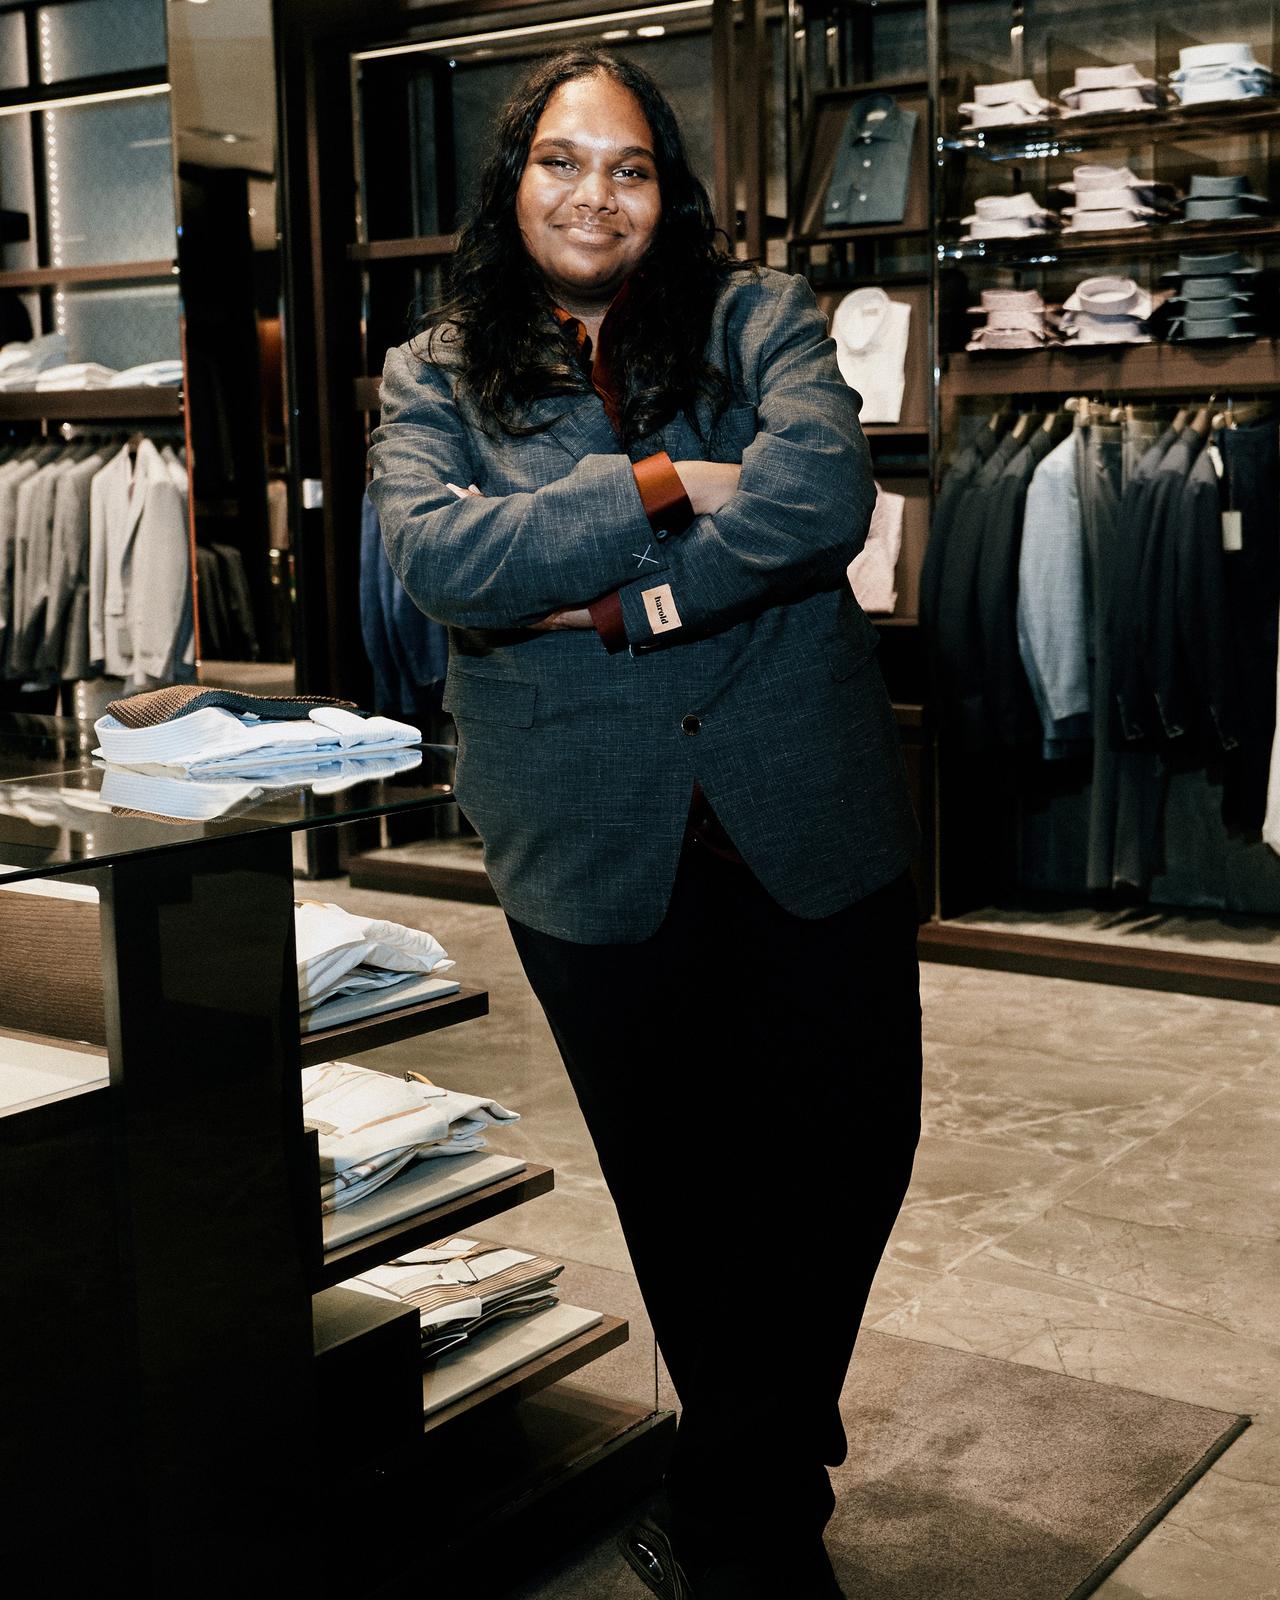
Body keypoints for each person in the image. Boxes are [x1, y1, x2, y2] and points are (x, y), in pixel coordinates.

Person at [369, 47, 922, 1600]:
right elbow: (441, 560)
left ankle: (739, 1460)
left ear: (665, 191)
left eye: (627, 166)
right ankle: (755, 1521)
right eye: (562, 160)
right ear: (515, 179)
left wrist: (620, 603)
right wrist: (673, 474)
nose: (594, 193)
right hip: (585, 837)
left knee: (854, 1149)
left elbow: (821, 498)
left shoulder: (759, 317)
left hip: (805, 813)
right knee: (682, 1185)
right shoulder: (436, 372)